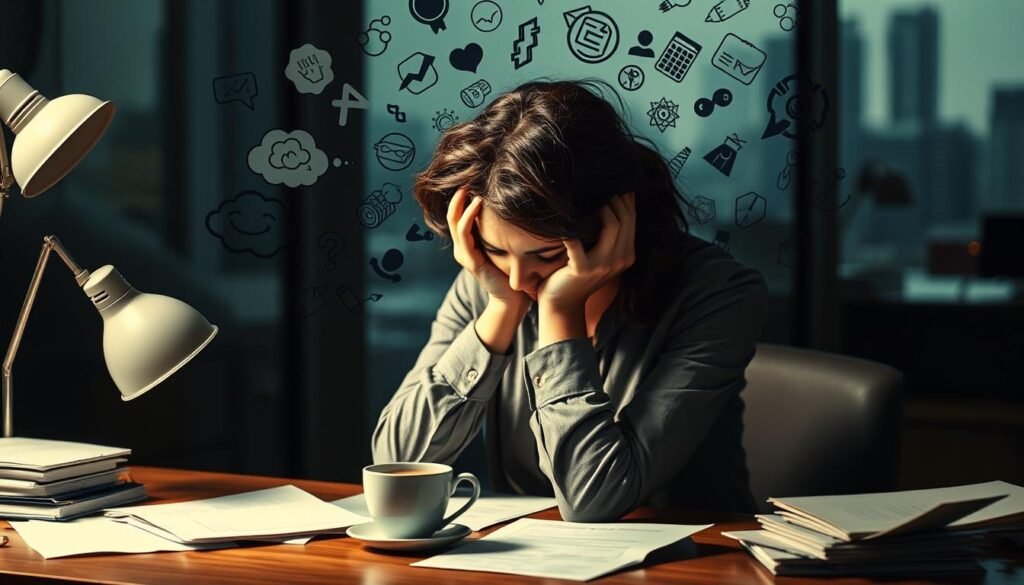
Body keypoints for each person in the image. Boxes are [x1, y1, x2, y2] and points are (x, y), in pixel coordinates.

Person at [371, 80, 767, 522]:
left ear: (613, 223)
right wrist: (501, 313)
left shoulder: (718, 293)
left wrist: (560, 313)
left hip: (694, 562)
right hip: (534, 560)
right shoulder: (492, 283)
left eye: (546, 255)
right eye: (498, 251)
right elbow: (398, 458)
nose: (518, 279)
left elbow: (594, 499)